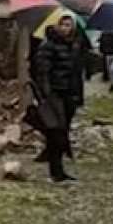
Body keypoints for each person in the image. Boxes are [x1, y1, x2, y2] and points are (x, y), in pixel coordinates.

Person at [31, 14, 85, 182]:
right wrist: (46, 94)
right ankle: (56, 170)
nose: (66, 28)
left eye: (69, 25)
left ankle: (58, 167)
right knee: (57, 132)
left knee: (64, 130)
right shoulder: (48, 45)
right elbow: (42, 72)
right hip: (55, 93)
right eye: (63, 25)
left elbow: (77, 72)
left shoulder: (75, 44)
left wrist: (78, 95)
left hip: (70, 93)